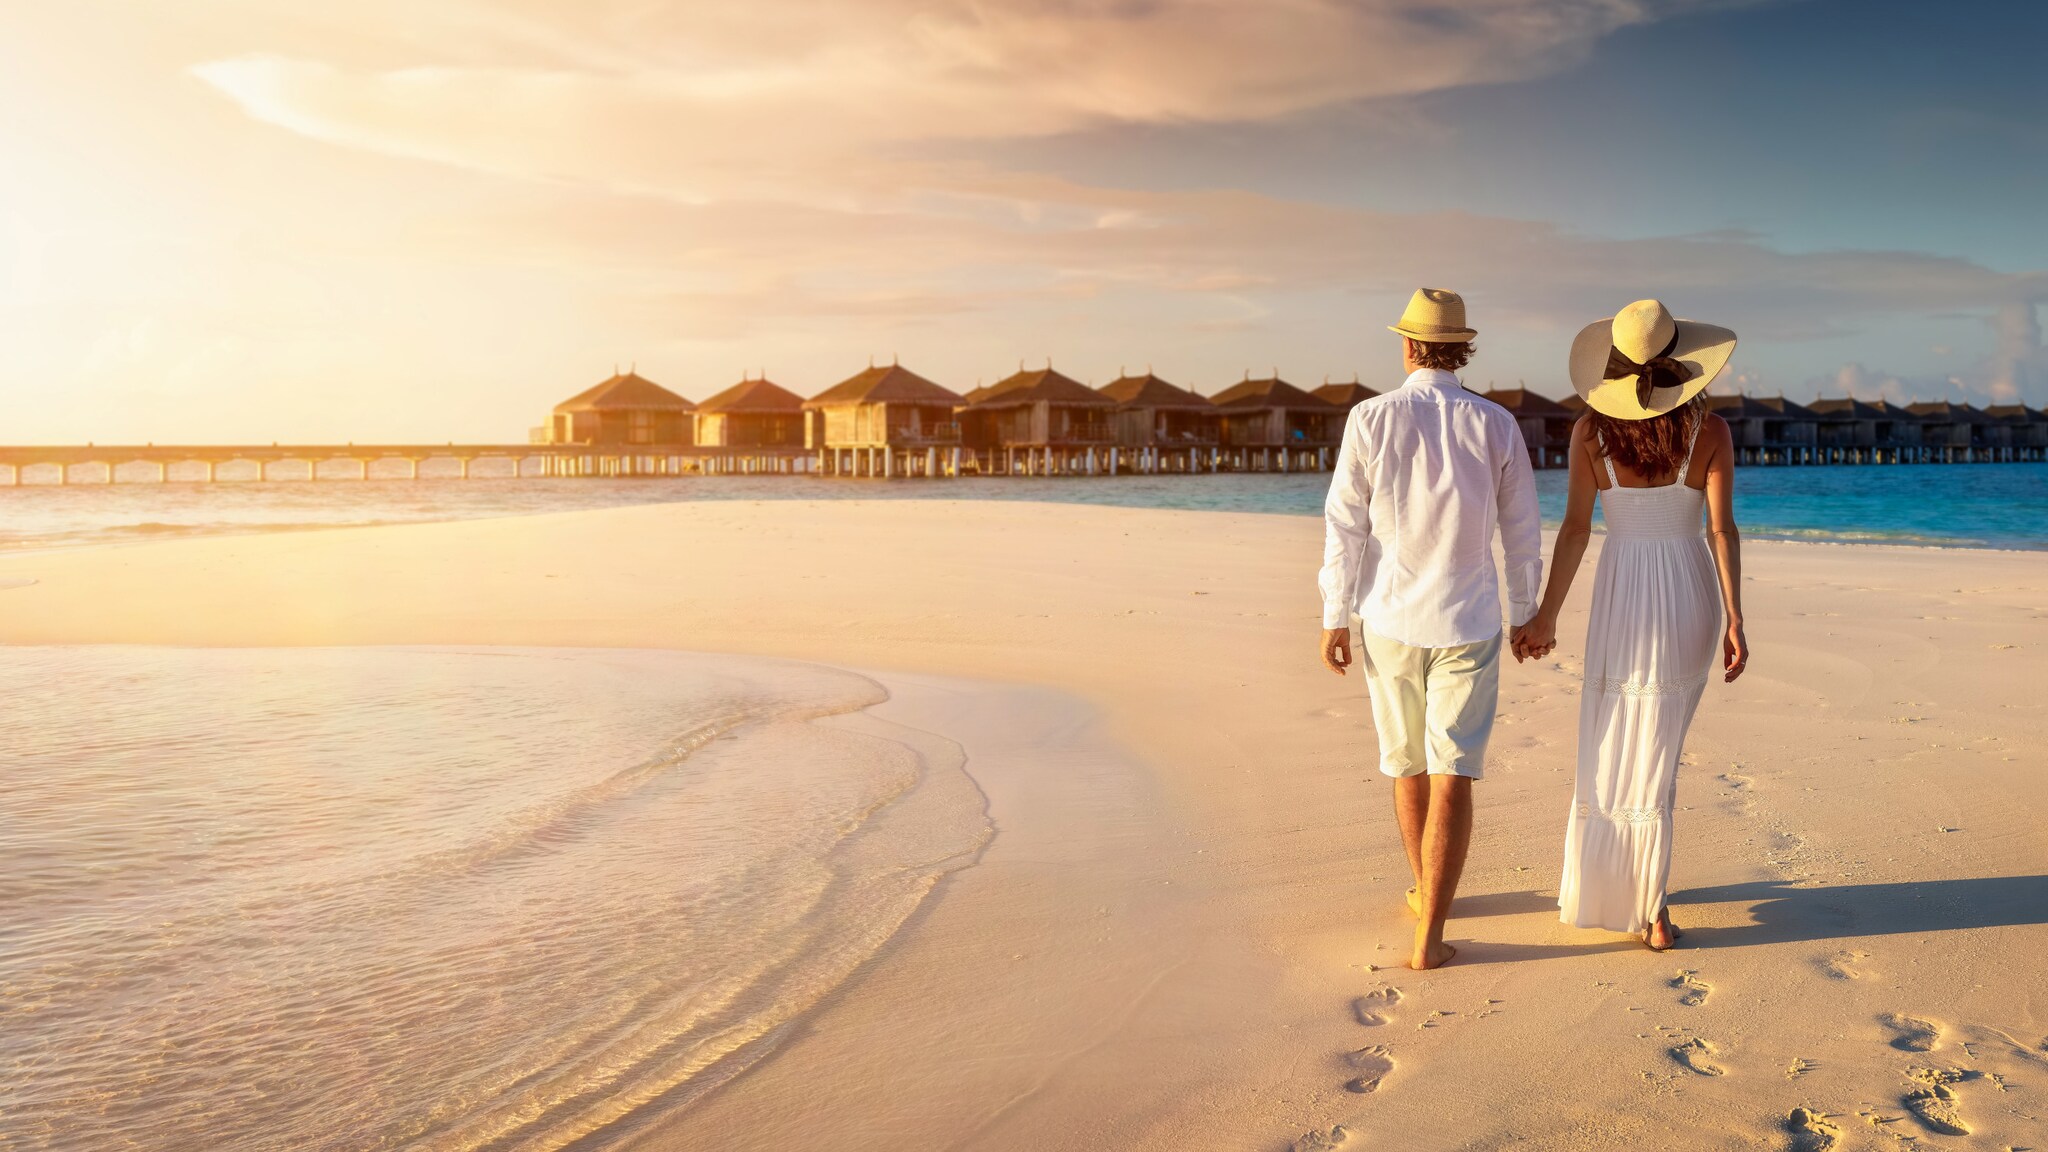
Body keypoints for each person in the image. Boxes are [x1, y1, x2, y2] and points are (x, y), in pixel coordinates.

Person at [1512, 299, 1750, 952]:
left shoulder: (1590, 433)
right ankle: (1650, 906)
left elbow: (1576, 530)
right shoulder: (1714, 432)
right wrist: (1734, 618)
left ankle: (1640, 897)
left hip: (1623, 596)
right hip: (1687, 594)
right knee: (1658, 748)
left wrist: (1545, 615)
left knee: (1620, 737)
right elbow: (1720, 530)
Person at [1319, 287, 1543, 971]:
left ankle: (1424, 892)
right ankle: (1430, 932)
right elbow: (1522, 531)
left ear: (1410, 346)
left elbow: (1344, 525)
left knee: (1407, 767)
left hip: (1387, 618)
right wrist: (1526, 611)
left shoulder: (1369, 417)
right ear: (1461, 349)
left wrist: (1333, 614)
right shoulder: (1496, 423)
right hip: (1469, 618)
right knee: (1454, 774)